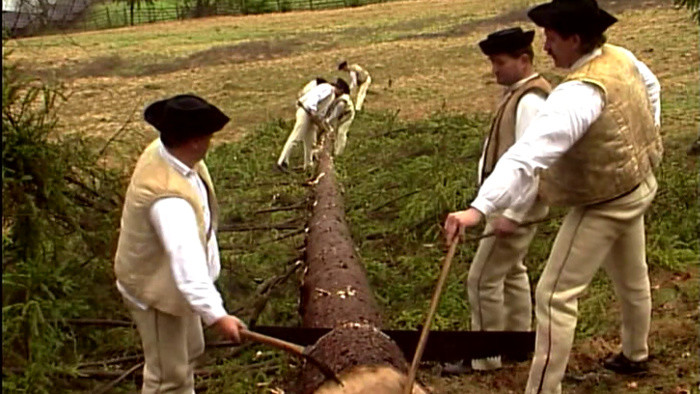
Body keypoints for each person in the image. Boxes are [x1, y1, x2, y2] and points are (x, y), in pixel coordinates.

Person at [443, 0, 662, 392]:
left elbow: (526, 156)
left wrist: (479, 210)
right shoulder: (620, 57)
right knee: (632, 276)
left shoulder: (576, 95)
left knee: (553, 296)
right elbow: (651, 86)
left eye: (552, 38)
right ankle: (635, 354)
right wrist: (646, 139)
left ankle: (543, 389)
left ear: (575, 39)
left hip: (608, 200)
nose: (545, 48)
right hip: (638, 185)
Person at [114, 94, 247, 393]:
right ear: (196, 141)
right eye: (209, 136)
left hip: (178, 290)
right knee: (167, 377)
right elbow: (186, 266)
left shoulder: (169, 152)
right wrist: (217, 315)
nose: (211, 142)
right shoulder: (169, 201)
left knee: (189, 352)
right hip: (158, 294)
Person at [444, 27, 551, 375]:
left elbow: (533, 164)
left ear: (524, 60)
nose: (495, 70)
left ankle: (486, 357)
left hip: (514, 207)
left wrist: (515, 213)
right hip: (506, 204)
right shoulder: (517, 93)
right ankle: (518, 343)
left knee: (481, 279)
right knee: (512, 271)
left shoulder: (531, 101)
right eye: (492, 62)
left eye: (500, 62)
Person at [277, 78, 350, 172]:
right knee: (296, 137)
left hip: (311, 116)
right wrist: (314, 114)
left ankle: (308, 165)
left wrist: (323, 125)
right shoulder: (327, 89)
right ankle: (282, 161)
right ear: (340, 90)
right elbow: (313, 100)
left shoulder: (331, 95)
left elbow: (321, 113)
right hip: (306, 112)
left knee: (311, 141)